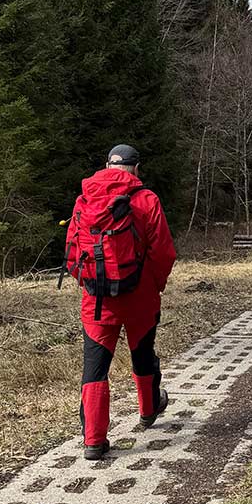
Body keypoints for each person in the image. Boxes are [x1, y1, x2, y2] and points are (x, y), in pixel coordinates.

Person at [62, 143, 177, 460]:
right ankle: (148, 410)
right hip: (140, 297)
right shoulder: (147, 199)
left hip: (97, 301)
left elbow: (72, 251)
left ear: (107, 166)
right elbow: (163, 252)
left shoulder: (85, 200)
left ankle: (93, 440)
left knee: (95, 366)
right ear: (136, 168)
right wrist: (155, 286)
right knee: (143, 353)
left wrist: (89, 283)